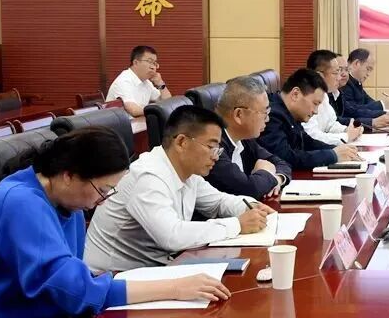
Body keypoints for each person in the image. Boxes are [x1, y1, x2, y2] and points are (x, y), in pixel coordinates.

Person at [0, 127, 231, 318]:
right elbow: (74, 291)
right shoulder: (21, 203)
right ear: (68, 175)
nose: (102, 201)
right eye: (102, 190)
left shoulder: (68, 202)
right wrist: (175, 288)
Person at [84, 106, 275, 272]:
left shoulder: (188, 173)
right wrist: (237, 224)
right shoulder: (148, 176)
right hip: (113, 278)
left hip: (157, 267)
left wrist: (250, 206)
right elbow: (172, 236)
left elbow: (218, 202)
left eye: (218, 149)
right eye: (211, 147)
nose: (215, 156)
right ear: (182, 142)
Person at [206, 75, 292, 200]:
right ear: (239, 115)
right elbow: (249, 189)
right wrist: (266, 173)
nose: (267, 119)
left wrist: (277, 179)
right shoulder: (213, 147)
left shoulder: (244, 139)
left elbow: (281, 163)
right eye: (264, 113)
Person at [257, 68, 360, 170]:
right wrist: (332, 155)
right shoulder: (272, 116)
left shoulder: (291, 113)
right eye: (315, 104)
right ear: (295, 94)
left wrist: (337, 149)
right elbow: (286, 157)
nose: (316, 111)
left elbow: (307, 141)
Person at [304, 50, 366, 144]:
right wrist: (346, 136)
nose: (339, 78)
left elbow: (330, 125)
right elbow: (312, 137)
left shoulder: (324, 95)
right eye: (335, 73)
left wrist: (346, 130)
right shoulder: (305, 96)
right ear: (319, 76)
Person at [106, 45, 172, 117]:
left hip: (138, 122)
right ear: (135, 62)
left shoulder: (146, 82)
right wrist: (157, 110)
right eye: (149, 61)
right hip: (118, 123)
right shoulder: (124, 81)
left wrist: (160, 83)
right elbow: (134, 111)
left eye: (154, 63)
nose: (153, 67)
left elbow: (168, 102)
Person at [340, 48, 389, 126]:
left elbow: (368, 102)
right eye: (368, 69)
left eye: (346, 70)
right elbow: (353, 111)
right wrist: (382, 106)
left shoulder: (356, 83)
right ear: (357, 63)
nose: (368, 74)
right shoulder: (344, 84)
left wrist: (384, 113)